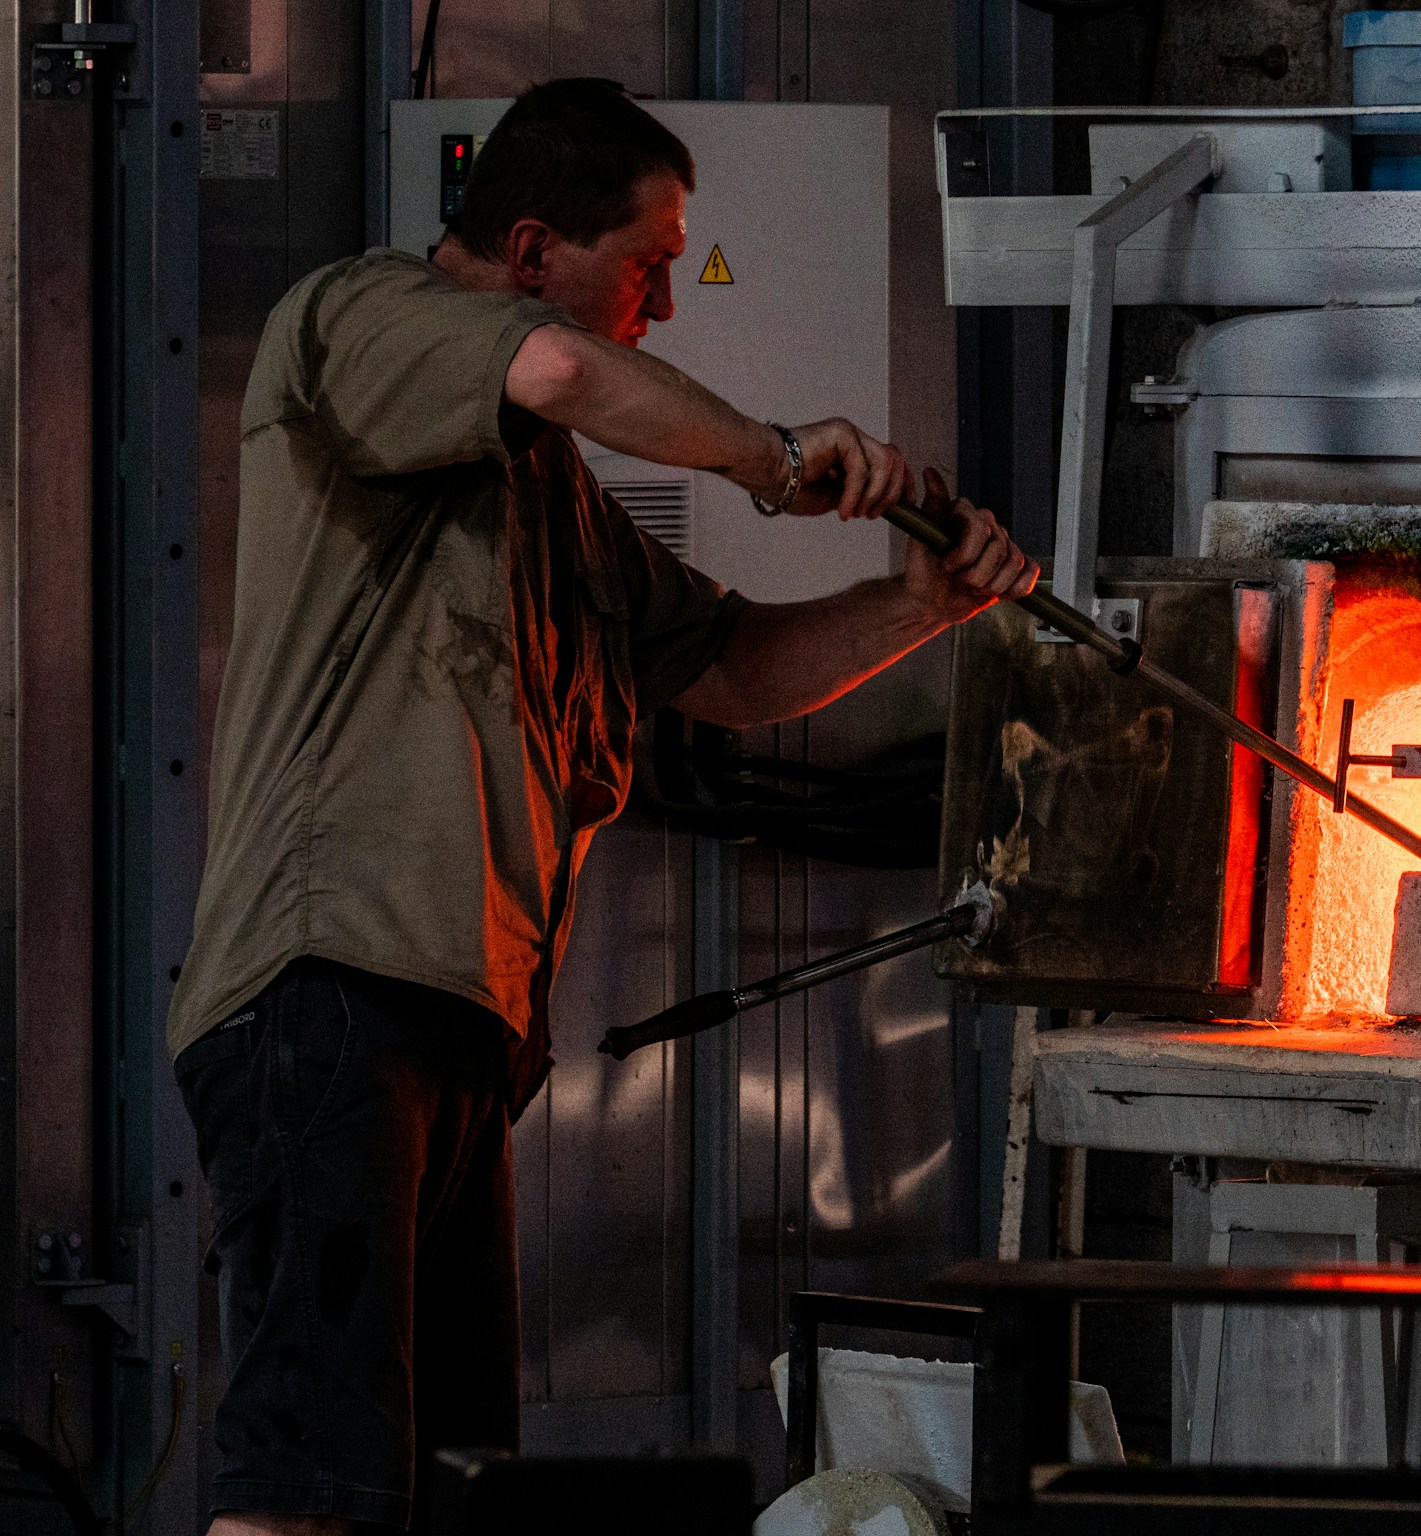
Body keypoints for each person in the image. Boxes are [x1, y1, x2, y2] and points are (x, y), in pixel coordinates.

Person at [167, 78, 1037, 1536]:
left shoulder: (561, 505)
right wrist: (773, 460)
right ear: (526, 251)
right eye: (647, 265)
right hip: (328, 992)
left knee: (451, 1487)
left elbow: (739, 674)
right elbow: (561, 374)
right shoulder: (353, 320)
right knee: (310, 1480)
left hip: (460, 1024)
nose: (667, 307)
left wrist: (918, 602)